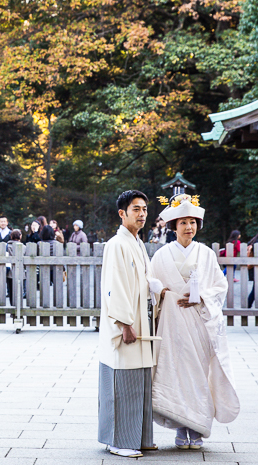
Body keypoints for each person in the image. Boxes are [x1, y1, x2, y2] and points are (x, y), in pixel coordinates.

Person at [149, 193, 240, 450]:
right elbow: (150, 288)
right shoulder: (161, 255)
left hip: (199, 322)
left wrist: (200, 297)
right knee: (175, 372)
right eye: (183, 222)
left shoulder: (206, 254)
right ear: (173, 227)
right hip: (172, 323)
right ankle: (180, 426)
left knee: (199, 373)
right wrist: (163, 293)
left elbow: (219, 287)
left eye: (192, 222)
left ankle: (197, 426)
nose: (188, 227)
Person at [97, 191, 162, 458]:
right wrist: (124, 323)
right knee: (123, 380)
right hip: (126, 323)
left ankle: (139, 438)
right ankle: (119, 440)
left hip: (141, 319)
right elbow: (116, 285)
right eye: (136, 209)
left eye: (144, 209)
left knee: (140, 381)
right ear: (122, 213)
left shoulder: (137, 243)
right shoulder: (116, 244)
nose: (142, 214)